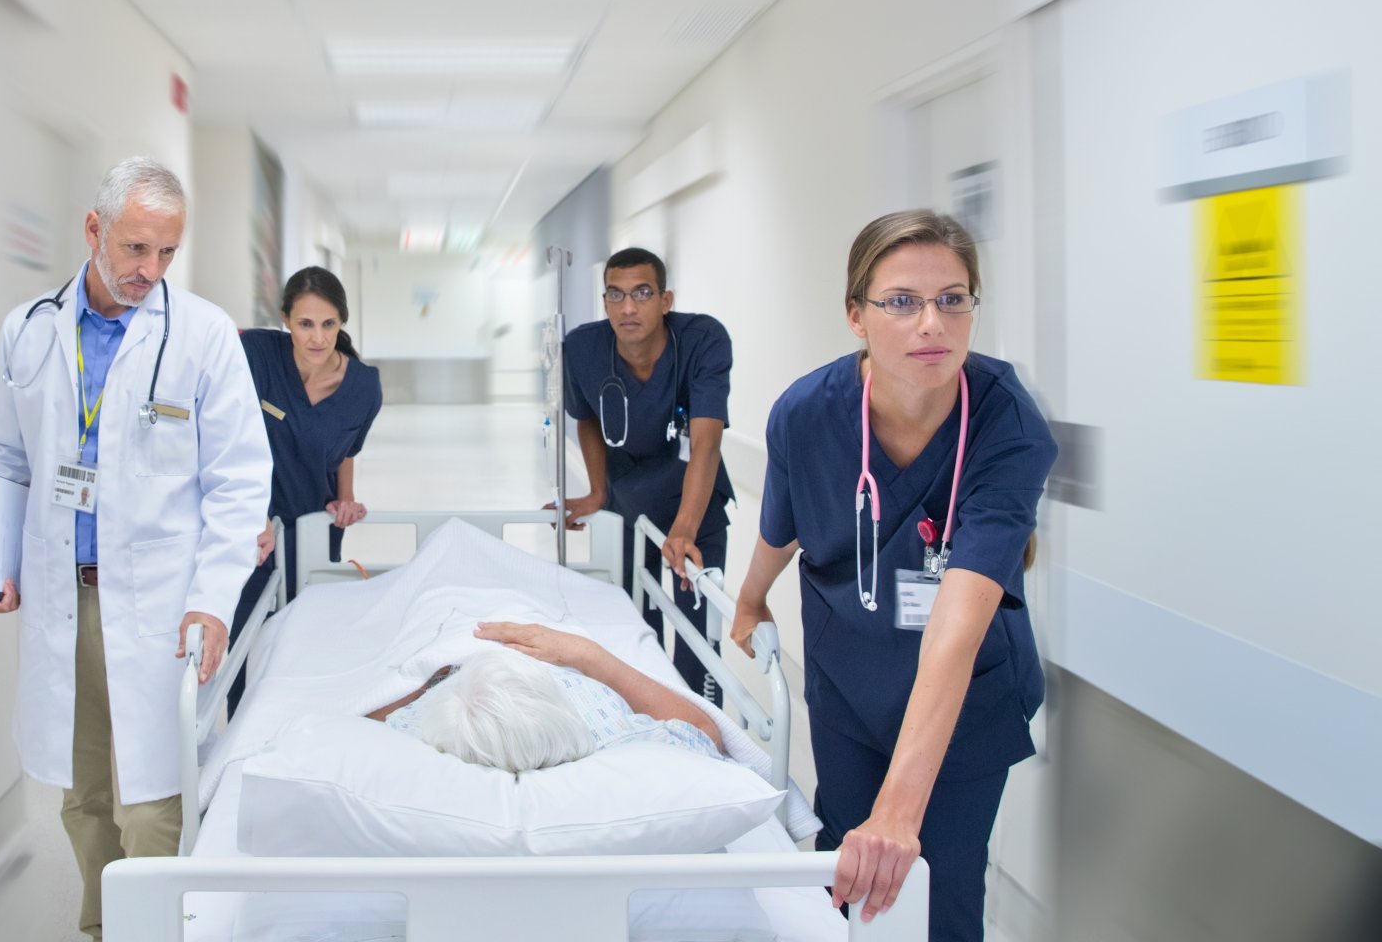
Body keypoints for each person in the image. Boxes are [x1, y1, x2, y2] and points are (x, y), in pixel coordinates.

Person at [726, 211, 1055, 941]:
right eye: (902, 301)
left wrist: (901, 813)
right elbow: (781, 526)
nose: (931, 322)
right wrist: (750, 601)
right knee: (846, 863)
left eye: (953, 298)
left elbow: (960, 621)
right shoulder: (809, 414)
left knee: (942, 882)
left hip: (967, 696)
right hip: (849, 683)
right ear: (856, 316)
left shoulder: (1009, 427)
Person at [0, 157, 271, 939]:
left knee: (153, 799)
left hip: (161, 601)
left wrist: (212, 600)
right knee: (83, 793)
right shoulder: (29, 330)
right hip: (62, 596)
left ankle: (160, 928)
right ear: (94, 230)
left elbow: (240, 482)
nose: (151, 271)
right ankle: (105, 922)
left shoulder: (202, 336)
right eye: (137, 249)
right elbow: (4, 458)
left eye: (168, 253)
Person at [557, 247, 737, 698]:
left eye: (641, 293)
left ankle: (700, 737)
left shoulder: (703, 340)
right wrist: (598, 491)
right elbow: (587, 417)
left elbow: (706, 441)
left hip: (693, 505)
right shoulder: (583, 348)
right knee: (637, 627)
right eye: (615, 296)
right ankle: (649, 727)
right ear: (604, 303)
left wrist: (685, 529)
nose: (628, 308)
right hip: (628, 503)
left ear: (665, 299)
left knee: (697, 640)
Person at [227, 267, 383, 702]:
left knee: (305, 645)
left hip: (315, 526)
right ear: (285, 321)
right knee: (245, 647)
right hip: (252, 529)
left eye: (328, 324)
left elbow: (347, 449)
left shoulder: (364, 387)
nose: (317, 337)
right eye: (305, 324)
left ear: (342, 322)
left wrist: (345, 499)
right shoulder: (256, 354)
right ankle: (243, 747)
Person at [367, 623, 727, 772]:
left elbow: (362, 727)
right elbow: (703, 729)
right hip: (550, 664)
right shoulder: (608, 729)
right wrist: (586, 653)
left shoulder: (421, 728)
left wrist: (432, 678)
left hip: (460, 669)